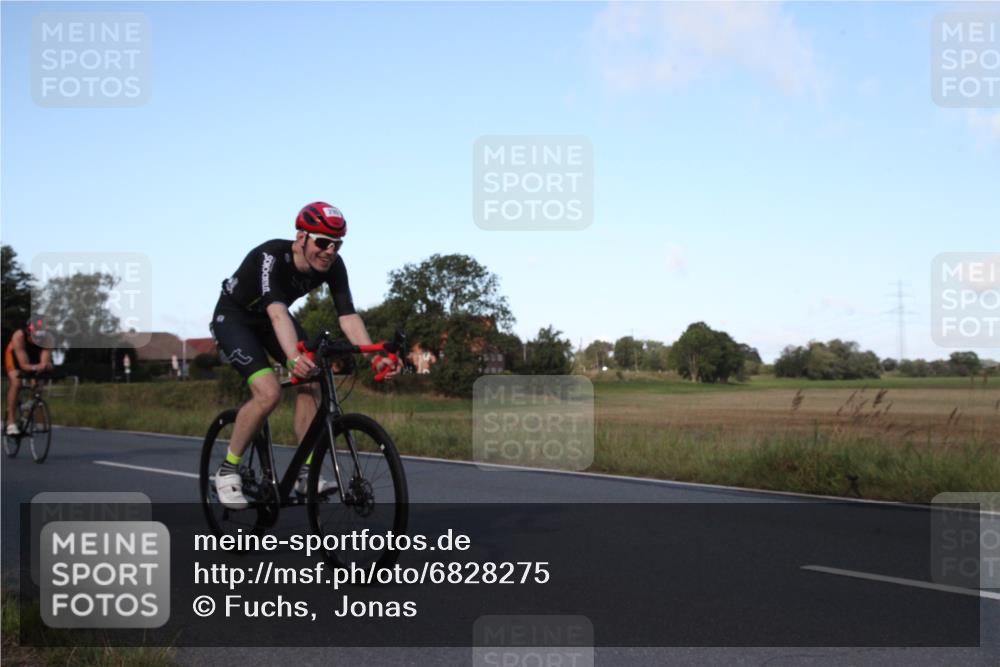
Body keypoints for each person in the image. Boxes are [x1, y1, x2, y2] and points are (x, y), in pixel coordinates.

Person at [209, 202, 401, 509]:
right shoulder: (272, 256)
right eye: (322, 242)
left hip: (274, 319)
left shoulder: (335, 265)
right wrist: (292, 358)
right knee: (269, 392)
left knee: (311, 381)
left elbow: (348, 317)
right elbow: (277, 312)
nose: (329, 251)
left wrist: (373, 356)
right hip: (236, 319)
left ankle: (304, 473)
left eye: (337, 244)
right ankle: (228, 468)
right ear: (301, 237)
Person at [5, 318, 54, 435]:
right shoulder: (19, 336)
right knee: (17, 382)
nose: (36, 339)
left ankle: (30, 406)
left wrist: (44, 366)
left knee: (38, 385)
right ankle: (10, 422)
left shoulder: (48, 338)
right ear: (28, 332)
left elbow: (43, 361)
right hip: (15, 357)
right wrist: (37, 367)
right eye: (34, 336)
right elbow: (23, 365)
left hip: (34, 356)